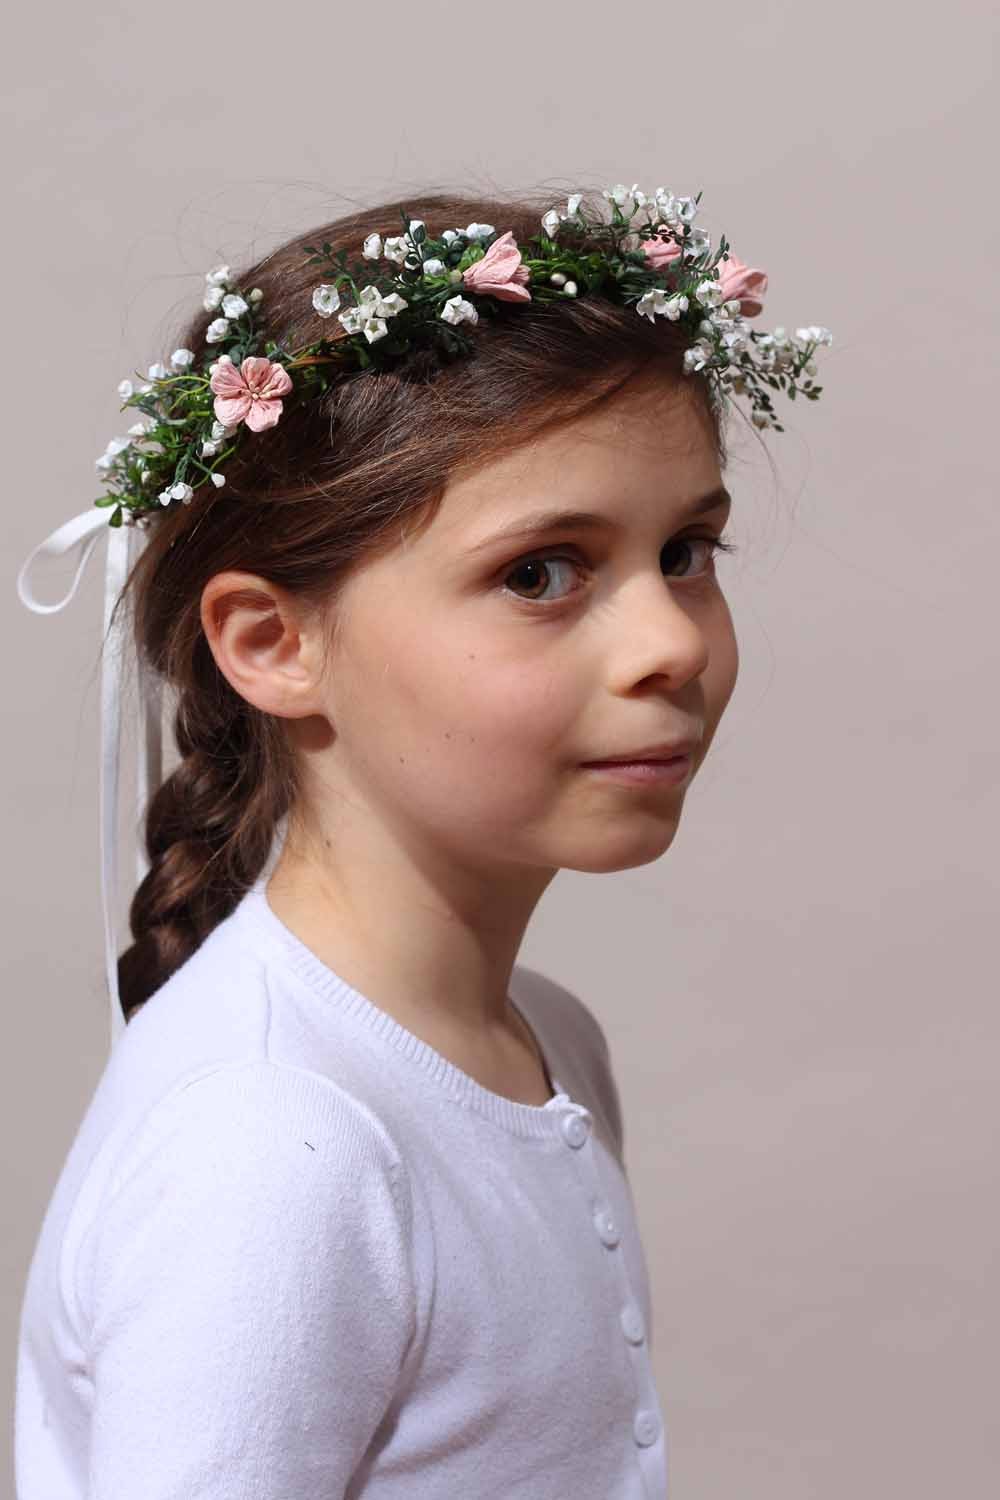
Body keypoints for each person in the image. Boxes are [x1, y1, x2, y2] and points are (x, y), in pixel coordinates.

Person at [12, 185, 831, 1498]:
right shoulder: (277, 1153)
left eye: (686, 549)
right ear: (276, 645)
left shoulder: (544, 1043)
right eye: (541, 573)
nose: (672, 641)